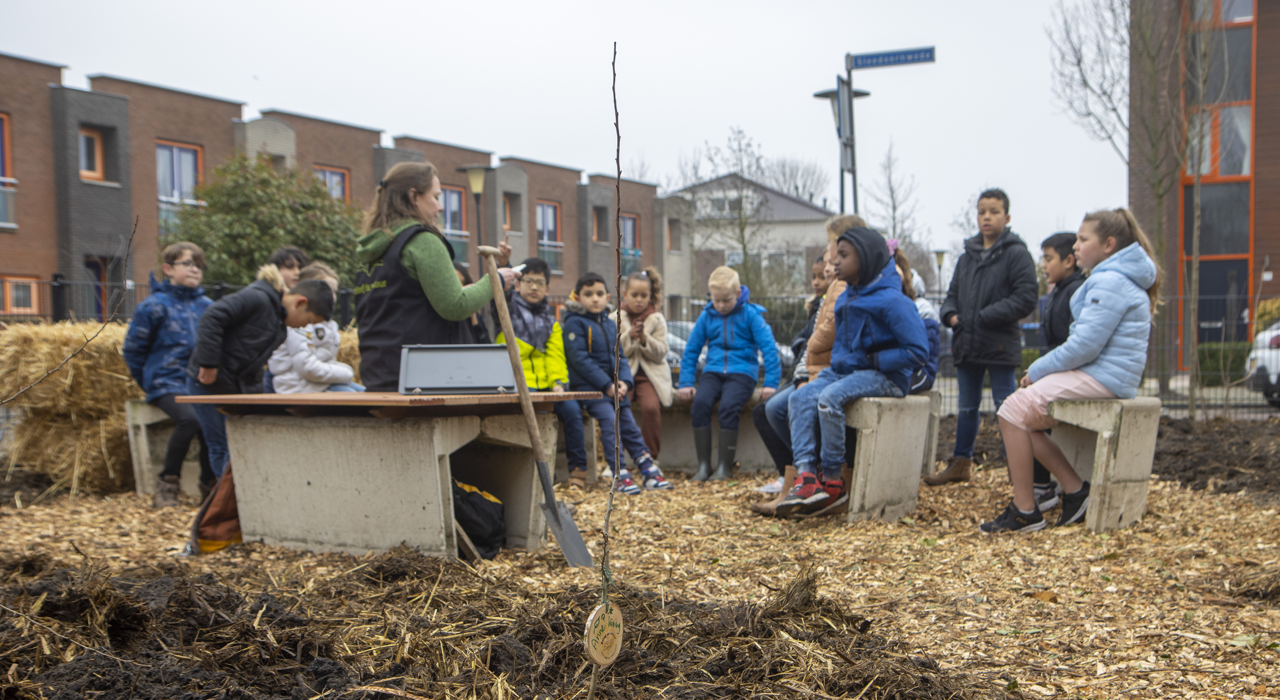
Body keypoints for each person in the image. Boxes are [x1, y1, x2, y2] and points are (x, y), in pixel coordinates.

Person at [981, 209, 1160, 533]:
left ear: (1108, 245)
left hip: (1104, 376)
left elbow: (1083, 347)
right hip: (1108, 375)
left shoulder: (1110, 281)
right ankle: (1076, 492)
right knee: (1024, 419)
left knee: (1011, 410)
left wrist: (1038, 370)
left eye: (1082, 239)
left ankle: (1025, 511)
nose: (1076, 246)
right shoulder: (1116, 278)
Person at [776, 227, 928, 517]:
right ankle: (807, 477)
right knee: (799, 398)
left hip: (887, 377)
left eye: (844, 256)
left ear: (866, 258)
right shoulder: (848, 296)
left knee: (829, 398)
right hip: (847, 372)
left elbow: (919, 351)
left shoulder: (894, 302)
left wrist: (876, 359)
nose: (835, 262)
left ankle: (834, 481)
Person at [353, 162, 518, 392]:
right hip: (425, 378)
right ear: (414, 196)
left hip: (379, 375)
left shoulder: (370, 249)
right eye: (436, 197)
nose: (440, 207)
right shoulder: (423, 241)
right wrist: (496, 280)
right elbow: (455, 306)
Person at [928, 188, 1038, 486]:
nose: (986, 217)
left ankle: (1019, 468)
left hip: (999, 344)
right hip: (967, 343)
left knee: (1007, 405)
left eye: (994, 211)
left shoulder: (1016, 254)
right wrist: (951, 316)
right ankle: (961, 464)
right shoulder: (966, 258)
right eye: (982, 212)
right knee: (966, 407)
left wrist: (985, 315)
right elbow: (951, 296)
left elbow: (1026, 297)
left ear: (1007, 217)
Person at [186, 266, 333, 477]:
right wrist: (209, 364)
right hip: (208, 382)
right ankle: (228, 494)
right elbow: (212, 316)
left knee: (239, 443)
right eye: (308, 321)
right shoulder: (258, 298)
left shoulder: (280, 327)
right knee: (222, 444)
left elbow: (254, 364)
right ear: (300, 302)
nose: (303, 327)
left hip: (236, 387)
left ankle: (236, 491)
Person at [123, 242, 215, 507]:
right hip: (166, 382)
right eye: (188, 264)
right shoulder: (153, 306)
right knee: (190, 419)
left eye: (199, 266)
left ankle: (210, 487)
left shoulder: (208, 306)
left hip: (199, 384)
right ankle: (167, 484)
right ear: (168, 269)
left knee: (211, 421)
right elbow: (133, 349)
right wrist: (149, 381)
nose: (195, 270)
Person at [563, 272, 672, 493]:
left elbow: (620, 356)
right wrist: (607, 385)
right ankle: (619, 473)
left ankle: (647, 469)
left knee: (630, 426)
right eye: (588, 294)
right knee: (611, 423)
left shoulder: (610, 324)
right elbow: (580, 360)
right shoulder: (574, 324)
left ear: (607, 297)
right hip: (590, 390)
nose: (595, 299)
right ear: (577, 297)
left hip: (613, 389)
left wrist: (625, 383)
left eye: (599, 294)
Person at [678, 266, 781, 482]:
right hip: (713, 371)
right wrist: (686, 382)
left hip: (742, 372)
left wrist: (771, 382)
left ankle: (725, 467)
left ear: (737, 294)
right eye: (717, 300)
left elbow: (769, 348)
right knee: (700, 405)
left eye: (726, 300)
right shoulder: (707, 315)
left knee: (728, 407)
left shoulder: (750, 315)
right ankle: (704, 465)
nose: (722, 305)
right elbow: (691, 350)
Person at [492, 257, 588, 488]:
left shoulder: (551, 322)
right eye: (528, 281)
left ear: (547, 288)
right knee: (538, 414)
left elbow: (556, 356)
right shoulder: (507, 311)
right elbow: (498, 292)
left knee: (572, 411)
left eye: (540, 282)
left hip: (546, 384)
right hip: (518, 383)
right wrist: (503, 264)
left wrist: (559, 383)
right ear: (518, 284)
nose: (534, 287)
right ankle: (544, 475)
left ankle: (578, 469)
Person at [749, 252, 833, 514]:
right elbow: (805, 341)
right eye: (814, 276)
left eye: (822, 275)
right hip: (804, 372)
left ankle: (805, 475)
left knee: (776, 409)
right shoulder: (818, 305)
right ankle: (792, 476)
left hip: (818, 375)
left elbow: (816, 346)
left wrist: (802, 376)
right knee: (764, 411)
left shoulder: (834, 302)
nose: (818, 281)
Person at [1030, 231, 1087, 508]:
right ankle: (1038, 484)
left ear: (1068, 261)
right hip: (1057, 371)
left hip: (1068, 374)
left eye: (1048, 258)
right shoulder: (1059, 291)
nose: (1043, 265)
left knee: (1027, 413)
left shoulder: (1075, 292)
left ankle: (1042, 487)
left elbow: (1072, 344)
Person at [268, 262, 364, 394]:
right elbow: (307, 367)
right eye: (327, 291)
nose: (331, 296)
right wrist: (347, 373)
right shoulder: (299, 323)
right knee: (354, 398)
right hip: (300, 386)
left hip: (319, 383)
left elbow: (327, 361)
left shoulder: (328, 324)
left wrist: (345, 372)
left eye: (334, 292)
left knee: (366, 393)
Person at [619, 267, 673, 465]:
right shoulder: (616, 317)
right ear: (625, 294)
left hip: (649, 377)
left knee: (651, 408)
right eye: (634, 295)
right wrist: (628, 337)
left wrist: (644, 339)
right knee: (619, 407)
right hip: (624, 376)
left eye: (644, 295)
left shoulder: (657, 319)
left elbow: (661, 352)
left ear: (650, 296)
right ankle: (616, 458)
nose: (639, 300)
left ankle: (651, 458)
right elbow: (611, 351)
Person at [454, 262, 492, 345]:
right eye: (456, 284)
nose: (462, 288)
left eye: (463, 283)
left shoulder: (476, 316)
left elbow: (486, 346)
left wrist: (475, 322)